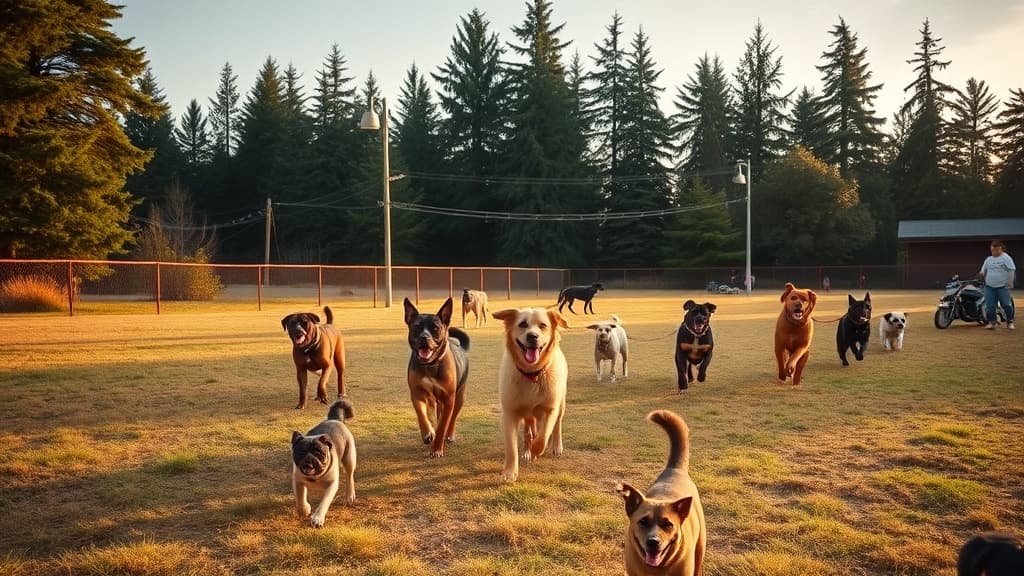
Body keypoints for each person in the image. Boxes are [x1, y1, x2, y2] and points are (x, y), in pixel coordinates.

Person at [978, 239, 1016, 330]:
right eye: (992, 250)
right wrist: (982, 273)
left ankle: (1010, 321)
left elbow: (1011, 270)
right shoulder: (988, 259)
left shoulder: (1006, 258)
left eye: (995, 250)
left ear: (1001, 249)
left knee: (1006, 305)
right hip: (989, 286)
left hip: (1003, 287)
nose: (993, 252)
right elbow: (983, 270)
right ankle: (992, 323)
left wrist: (1010, 282)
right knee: (990, 306)